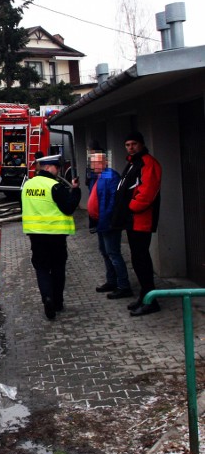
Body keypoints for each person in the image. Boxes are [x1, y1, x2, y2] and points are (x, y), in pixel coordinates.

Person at [21, 154, 82, 320]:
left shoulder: (27, 185)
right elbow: (68, 207)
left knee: (41, 268)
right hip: (56, 235)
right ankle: (57, 302)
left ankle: (47, 297)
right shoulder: (55, 186)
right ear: (48, 167)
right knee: (57, 268)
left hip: (35, 235)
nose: (59, 170)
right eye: (56, 167)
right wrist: (76, 192)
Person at [111, 131, 162, 316]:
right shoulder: (133, 163)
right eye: (127, 145)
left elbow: (147, 192)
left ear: (141, 144)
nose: (130, 147)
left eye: (134, 144)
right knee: (138, 259)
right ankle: (145, 295)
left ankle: (151, 300)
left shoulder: (148, 163)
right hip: (133, 221)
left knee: (141, 260)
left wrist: (130, 208)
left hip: (141, 220)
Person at [87, 150, 133, 299]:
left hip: (109, 222)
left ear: (105, 162)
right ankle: (112, 281)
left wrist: (109, 220)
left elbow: (114, 200)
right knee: (105, 252)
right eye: (93, 162)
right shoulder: (100, 176)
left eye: (98, 162)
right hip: (100, 222)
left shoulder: (110, 175)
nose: (95, 165)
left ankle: (124, 286)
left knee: (113, 253)